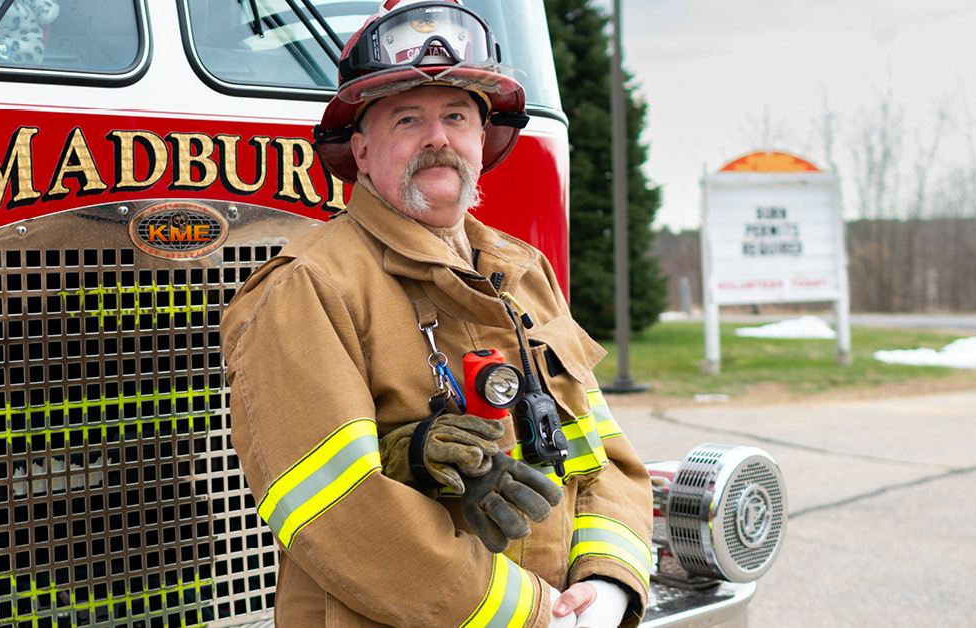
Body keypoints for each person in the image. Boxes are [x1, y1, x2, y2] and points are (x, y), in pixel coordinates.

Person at [217, 1, 655, 627]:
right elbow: (337, 514)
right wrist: (533, 614)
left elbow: (603, 455)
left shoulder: (525, 272)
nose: (438, 138)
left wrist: (607, 588)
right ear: (362, 152)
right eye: (407, 119)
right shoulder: (308, 285)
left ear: (484, 140)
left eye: (456, 116)